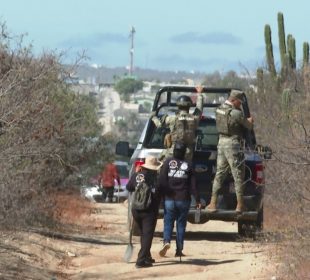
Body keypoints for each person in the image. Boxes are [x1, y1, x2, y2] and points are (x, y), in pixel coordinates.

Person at [207, 90, 254, 213]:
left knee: (219, 173)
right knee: (238, 174)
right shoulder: (236, 113)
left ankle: (212, 203)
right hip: (233, 144)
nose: (240, 104)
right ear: (234, 100)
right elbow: (248, 126)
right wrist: (250, 121)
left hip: (221, 143)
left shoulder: (218, 110)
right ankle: (240, 205)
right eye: (239, 102)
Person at [158, 142, 201, 258]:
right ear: (184, 152)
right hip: (183, 199)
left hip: (169, 199)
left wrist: (161, 198)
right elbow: (193, 186)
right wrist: (197, 200)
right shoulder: (189, 165)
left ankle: (166, 241)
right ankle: (179, 250)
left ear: (174, 151)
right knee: (181, 225)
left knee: (168, 222)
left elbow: (162, 181)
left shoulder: (167, 162)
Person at [126, 156, 162, 268]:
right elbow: (160, 192)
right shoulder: (155, 178)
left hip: (136, 209)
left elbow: (129, 187)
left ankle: (146, 256)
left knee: (143, 234)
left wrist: (136, 176)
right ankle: (140, 260)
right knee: (147, 235)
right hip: (149, 210)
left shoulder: (137, 175)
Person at [151, 86, 204, 161]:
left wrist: (153, 117)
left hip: (173, 151)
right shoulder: (195, 118)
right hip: (188, 152)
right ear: (189, 106)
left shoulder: (172, 119)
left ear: (178, 105)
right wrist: (200, 94)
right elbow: (199, 109)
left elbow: (159, 125)